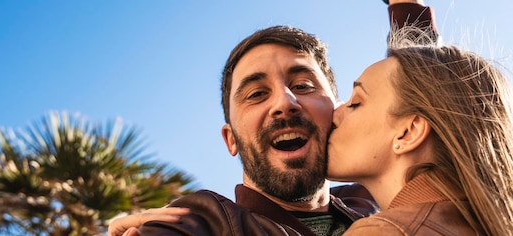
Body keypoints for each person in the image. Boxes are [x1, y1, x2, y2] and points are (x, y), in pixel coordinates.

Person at [108, 1, 440, 236]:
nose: (285, 102)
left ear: (339, 110)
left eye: (303, 85)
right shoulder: (201, 220)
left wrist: (405, 3)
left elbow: (423, 96)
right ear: (231, 139)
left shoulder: (374, 199)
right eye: (255, 94)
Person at [327, 37, 513, 235]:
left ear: (409, 133)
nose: (335, 113)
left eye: (355, 103)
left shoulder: (384, 231)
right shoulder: (482, 222)